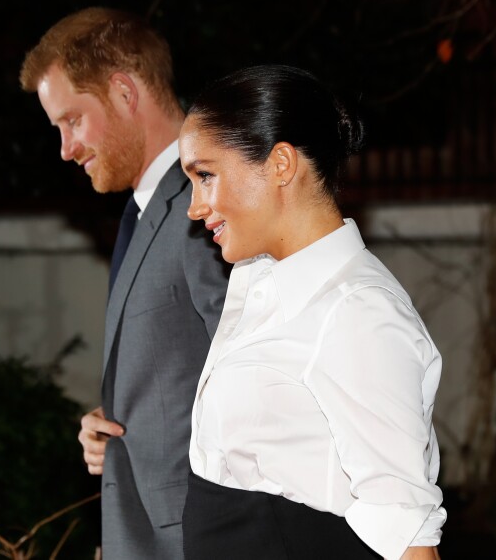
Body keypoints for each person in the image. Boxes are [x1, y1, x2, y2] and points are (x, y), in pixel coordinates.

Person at [178, 64, 446, 560]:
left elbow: (406, 532)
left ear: (281, 165)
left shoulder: (357, 312)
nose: (195, 207)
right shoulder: (257, 280)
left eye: (205, 175)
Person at [19, 7, 229, 559]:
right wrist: (113, 427)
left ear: (123, 93)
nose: (65, 149)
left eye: (71, 121)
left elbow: (255, 381)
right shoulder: (147, 210)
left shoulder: (205, 205)